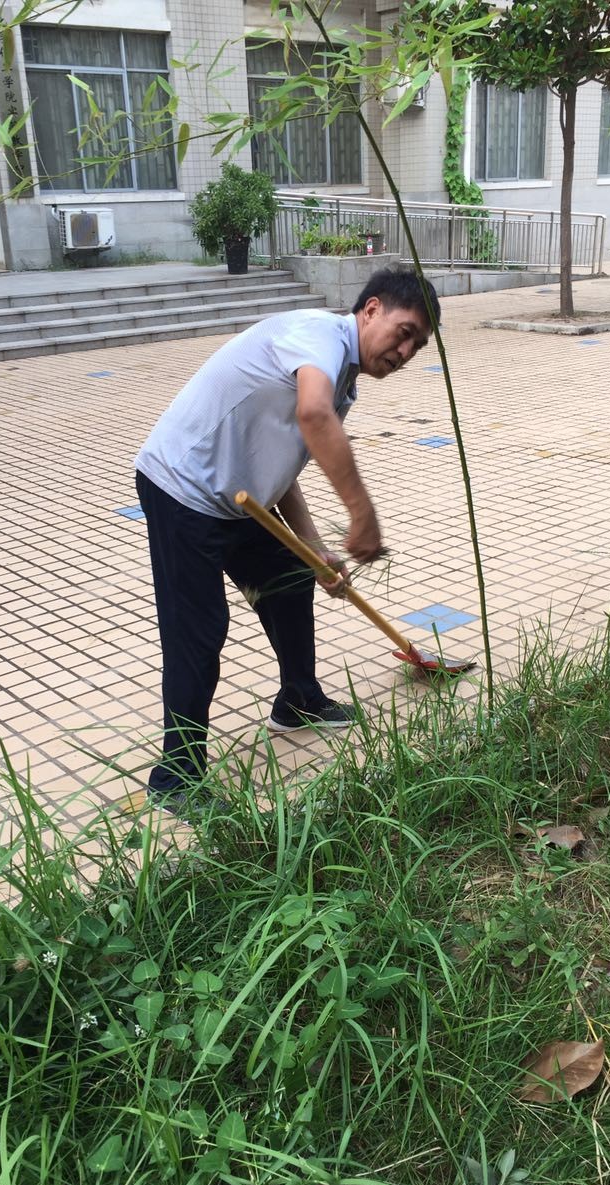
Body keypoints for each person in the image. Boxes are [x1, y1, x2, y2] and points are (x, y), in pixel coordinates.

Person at [134, 267, 440, 809]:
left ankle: (299, 700)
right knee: (198, 630)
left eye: (417, 346)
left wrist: (315, 549)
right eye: (405, 332)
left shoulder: (341, 378)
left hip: (238, 497)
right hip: (182, 488)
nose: (405, 352)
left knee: (292, 581)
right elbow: (313, 416)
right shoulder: (318, 336)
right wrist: (362, 514)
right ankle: (176, 778)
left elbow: (283, 465)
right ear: (371, 309)